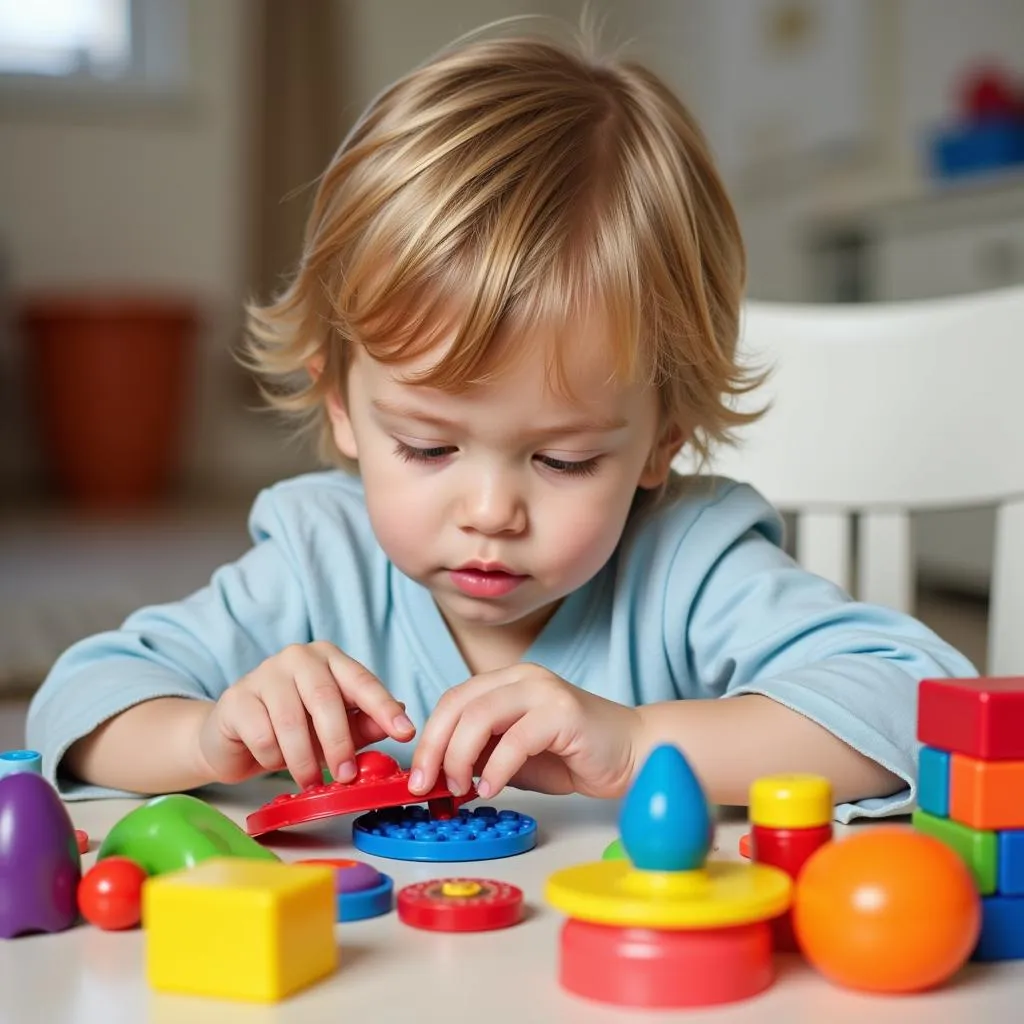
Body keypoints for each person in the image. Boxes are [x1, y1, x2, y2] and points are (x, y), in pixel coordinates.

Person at [26, 29, 975, 823]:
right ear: (339, 405)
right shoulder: (319, 560)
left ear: (663, 438)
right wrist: (204, 735)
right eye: (429, 446)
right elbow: (75, 701)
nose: (490, 511)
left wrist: (639, 742)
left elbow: (922, 704)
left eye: (562, 459)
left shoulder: (687, 562)